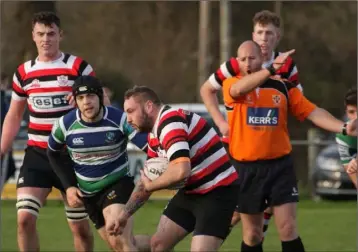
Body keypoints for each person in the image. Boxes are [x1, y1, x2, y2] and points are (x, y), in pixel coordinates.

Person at [218, 40, 356, 252]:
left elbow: (313, 112)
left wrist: (344, 128)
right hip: (246, 169)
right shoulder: (231, 85)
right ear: (237, 61)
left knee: (288, 228)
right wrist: (270, 70)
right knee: (253, 235)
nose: (247, 63)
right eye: (243, 59)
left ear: (262, 58)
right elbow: (238, 90)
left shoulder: (282, 87)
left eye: (252, 58)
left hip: (279, 167)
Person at [0, 11, 108, 252]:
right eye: (40, 34)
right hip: (37, 154)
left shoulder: (78, 67)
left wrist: (85, 100)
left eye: (50, 34)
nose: (45, 39)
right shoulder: (23, 73)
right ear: (33, 36)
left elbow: (104, 104)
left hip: (73, 156)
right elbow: (14, 115)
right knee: (24, 220)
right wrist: (2, 149)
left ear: (61, 35)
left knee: (79, 228)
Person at [200, 10, 298, 235]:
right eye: (260, 33)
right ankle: (206, 239)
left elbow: (296, 102)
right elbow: (206, 89)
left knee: (269, 214)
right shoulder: (237, 64)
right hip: (241, 149)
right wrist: (221, 122)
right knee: (236, 213)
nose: (264, 38)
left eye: (269, 33)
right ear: (253, 35)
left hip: (272, 149)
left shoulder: (288, 65)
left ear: (278, 36)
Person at [106, 86, 239, 252]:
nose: (128, 119)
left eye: (131, 111)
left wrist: (151, 186)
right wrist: (123, 216)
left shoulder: (171, 122)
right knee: (158, 245)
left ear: (148, 106)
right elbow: (145, 184)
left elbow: (181, 170)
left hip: (218, 193)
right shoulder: (154, 135)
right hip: (191, 192)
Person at [47, 76, 148, 251]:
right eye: (80, 98)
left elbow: (147, 145)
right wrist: (69, 186)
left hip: (118, 184)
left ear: (100, 97)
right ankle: (160, 244)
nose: (86, 102)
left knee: (120, 241)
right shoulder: (64, 125)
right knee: (120, 245)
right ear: (75, 101)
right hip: (89, 196)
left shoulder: (120, 119)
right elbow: (52, 153)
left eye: (91, 96)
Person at [336, 88, 357, 187]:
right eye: (351, 112)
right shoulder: (342, 136)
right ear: (346, 113)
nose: (356, 117)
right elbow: (350, 170)